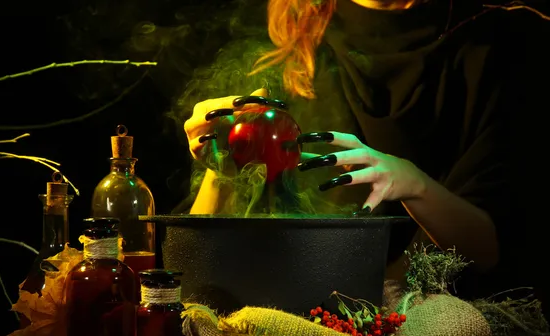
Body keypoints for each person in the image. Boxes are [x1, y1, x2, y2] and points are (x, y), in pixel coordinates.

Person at [177, 0, 541, 300]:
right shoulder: (292, 56)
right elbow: (196, 272)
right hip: (306, 331)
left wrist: (416, 186)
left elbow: (494, 252)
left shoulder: (509, 44)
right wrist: (221, 169)